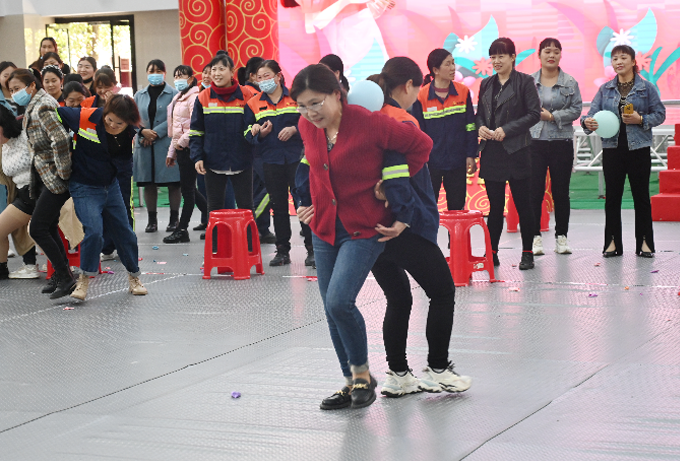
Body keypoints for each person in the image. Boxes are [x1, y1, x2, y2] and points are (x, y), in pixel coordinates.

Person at [292, 64, 432, 409]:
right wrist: (306, 202)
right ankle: (351, 381)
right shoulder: (307, 127)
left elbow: (421, 146)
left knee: (339, 301)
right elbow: (314, 168)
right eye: (302, 106)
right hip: (325, 228)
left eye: (316, 103)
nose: (310, 113)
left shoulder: (371, 123)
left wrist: (392, 187)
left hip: (364, 228)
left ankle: (361, 375)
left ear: (337, 94)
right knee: (331, 308)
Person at [367, 58, 472, 398]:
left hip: (372, 227)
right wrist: (405, 216)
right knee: (442, 292)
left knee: (398, 298)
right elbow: (398, 175)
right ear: (409, 85)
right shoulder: (400, 120)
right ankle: (438, 369)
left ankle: (399, 374)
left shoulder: (361, 121)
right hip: (405, 225)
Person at [57, 94, 148, 300]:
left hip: (111, 186)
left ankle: (134, 277)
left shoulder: (130, 131)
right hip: (84, 186)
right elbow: (56, 113)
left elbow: (124, 164)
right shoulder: (84, 117)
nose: (113, 125)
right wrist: (64, 145)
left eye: (119, 123)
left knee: (125, 232)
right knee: (94, 231)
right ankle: (83, 280)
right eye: (109, 120)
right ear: (105, 112)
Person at [582, 45, 666, 258]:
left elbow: (660, 114)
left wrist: (641, 119)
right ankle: (612, 242)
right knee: (612, 197)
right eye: (615, 59)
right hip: (612, 149)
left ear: (633, 61)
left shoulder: (646, 88)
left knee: (641, 197)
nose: (618, 62)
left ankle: (645, 243)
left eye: (623, 58)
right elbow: (590, 115)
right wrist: (588, 122)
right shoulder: (605, 89)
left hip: (638, 149)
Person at [7, 69, 74, 297]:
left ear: (32, 86)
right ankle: (62, 274)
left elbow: (61, 139)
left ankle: (65, 277)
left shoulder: (43, 105)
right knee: (49, 225)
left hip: (54, 177)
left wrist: (62, 173)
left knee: (37, 228)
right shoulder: (34, 104)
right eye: (11, 90)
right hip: (43, 176)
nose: (15, 94)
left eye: (17, 88)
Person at [476, 37, 541, 270]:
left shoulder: (525, 82)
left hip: (517, 150)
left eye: (501, 56)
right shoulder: (486, 83)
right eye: (492, 57)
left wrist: (507, 130)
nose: (496, 61)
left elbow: (534, 114)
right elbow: (479, 114)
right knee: (494, 208)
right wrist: (481, 127)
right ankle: (491, 253)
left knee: (524, 205)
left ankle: (527, 253)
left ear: (513, 57)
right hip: (491, 152)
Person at [245, 59, 313, 266]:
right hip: (270, 160)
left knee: (303, 203)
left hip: (297, 159)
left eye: (267, 75)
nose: (263, 80)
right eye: (259, 77)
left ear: (278, 76)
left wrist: (295, 129)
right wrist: (258, 133)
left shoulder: (295, 97)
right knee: (278, 206)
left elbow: (312, 121)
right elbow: (246, 131)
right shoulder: (253, 103)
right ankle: (282, 251)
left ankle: (312, 250)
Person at [190, 52, 257, 232]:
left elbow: (254, 125)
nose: (217, 73)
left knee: (246, 207)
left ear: (232, 71)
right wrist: (197, 157)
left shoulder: (247, 95)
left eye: (221, 69)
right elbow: (196, 131)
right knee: (214, 209)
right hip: (212, 161)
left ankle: (249, 245)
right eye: (214, 70)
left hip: (242, 161)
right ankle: (216, 247)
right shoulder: (203, 97)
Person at [529, 38, 582, 256]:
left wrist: (552, 116)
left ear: (561, 55)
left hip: (562, 142)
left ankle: (562, 237)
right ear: (539, 54)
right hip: (534, 142)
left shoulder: (570, 82)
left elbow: (576, 110)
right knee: (534, 192)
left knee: (561, 192)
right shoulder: (528, 82)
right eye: (547, 51)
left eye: (556, 52)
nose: (551, 55)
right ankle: (534, 237)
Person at [413, 48, 478, 211]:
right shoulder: (421, 96)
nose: (453, 68)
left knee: (457, 207)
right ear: (435, 70)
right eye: (448, 64)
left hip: (458, 161)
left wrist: (471, 154)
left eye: (453, 63)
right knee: (428, 207)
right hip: (431, 162)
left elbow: (470, 125)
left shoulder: (463, 92)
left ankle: (456, 231)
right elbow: (419, 132)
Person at [133, 59, 180, 233]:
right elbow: (132, 118)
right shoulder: (139, 95)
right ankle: (151, 220)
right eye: (151, 71)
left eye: (159, 71)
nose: (155, 74)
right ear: (146, 73)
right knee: (149, 184)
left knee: (173, 184)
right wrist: (142, 132)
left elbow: (176, 118)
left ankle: (174, 219)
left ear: (165, 73)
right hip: (144, 145)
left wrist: (154, 133)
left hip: (165, 144)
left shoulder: (174, 94)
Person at [163, 65, 207, 244]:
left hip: (191, 148)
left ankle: (182, 230)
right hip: (181, 149)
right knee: (190, 189)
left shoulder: (194, 97)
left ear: (191, 78)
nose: (178, 79)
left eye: (182, 76)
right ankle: (212, 218)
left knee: (188, 191)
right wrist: (172, 151)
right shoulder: (178, 97)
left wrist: (180, 144)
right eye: (176, 76)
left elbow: (195, 126)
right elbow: (176, 129)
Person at [0, 105, 39, 280]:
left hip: (39, 191)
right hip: (22, 195)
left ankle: (60, 269)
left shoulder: (25, 135)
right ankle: (2, 270)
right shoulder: (4, 146)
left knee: (39, 230)